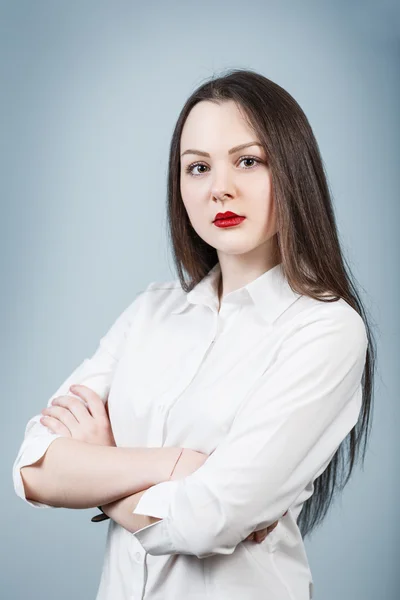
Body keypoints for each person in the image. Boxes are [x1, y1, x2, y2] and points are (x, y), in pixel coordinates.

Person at [12, 68, 376, 600]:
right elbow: (34, 466)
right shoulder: (150, 312)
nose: (220, 188)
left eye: (248, 161)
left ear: (294, 172)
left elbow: (209, 519)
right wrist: (175, 467)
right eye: (198, 167)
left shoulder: (325, 329)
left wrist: (101, 477)